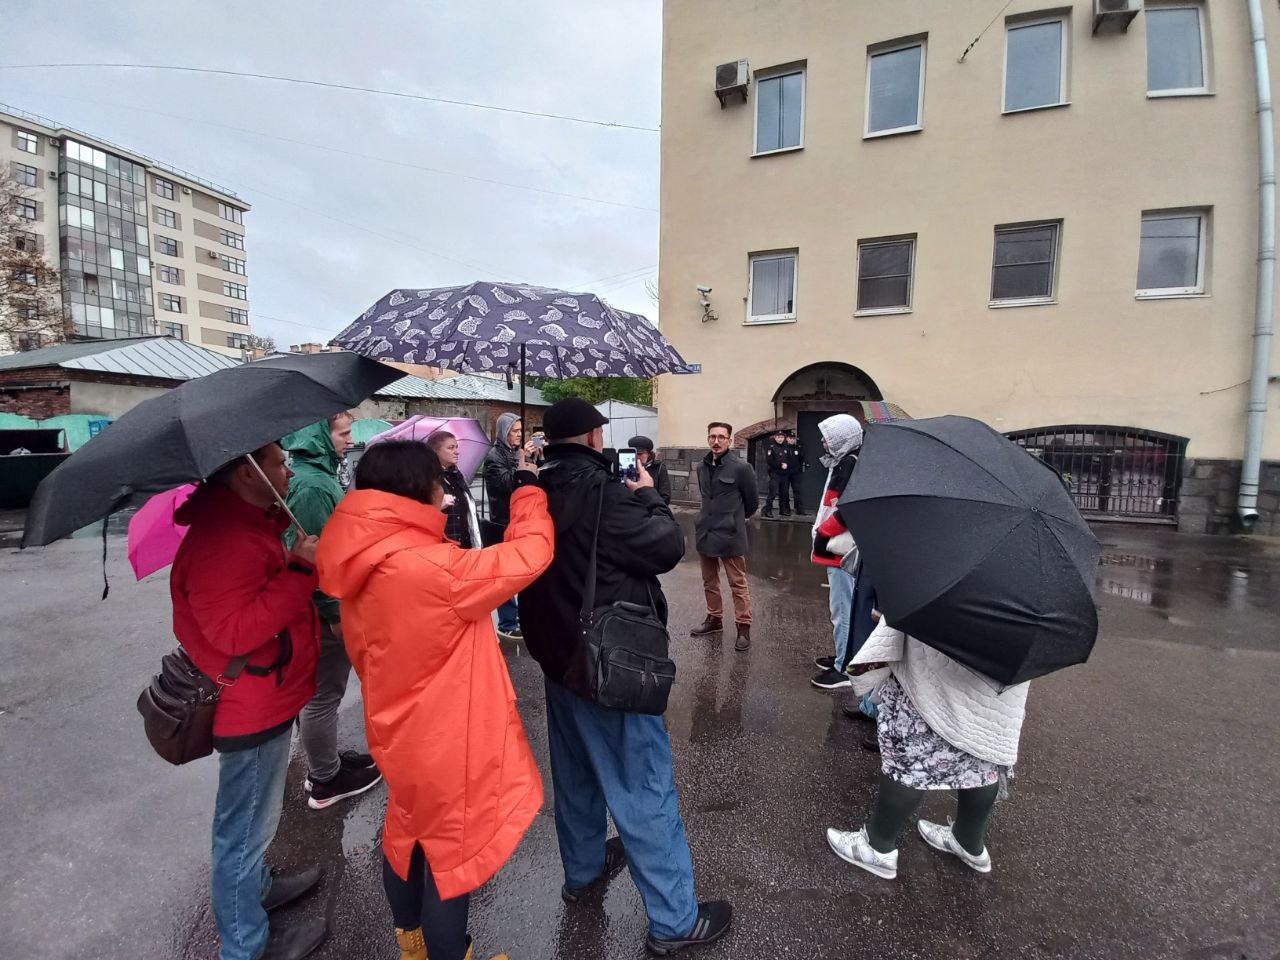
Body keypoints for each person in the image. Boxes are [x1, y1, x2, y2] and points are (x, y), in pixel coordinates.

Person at [316, 439, 553, 960]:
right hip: (447, 740)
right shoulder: (435, 569)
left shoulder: (360, 557)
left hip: (396, 731)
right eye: (435, 482)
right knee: (452, 859)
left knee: (407, 837)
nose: (441, 492)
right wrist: (529, 491)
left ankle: (412, 946)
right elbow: (530, 554)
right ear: (414, 490)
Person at [520, 397, 733, 956]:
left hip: (557, 658)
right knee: (642, 784)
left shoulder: (530, 492)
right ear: (594, 438)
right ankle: (674, 920)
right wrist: (650, 498)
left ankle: (584, 870)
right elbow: (666, 547)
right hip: (608, 663)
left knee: (575, 774)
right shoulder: (605, 493)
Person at [171, 443, 327, 960]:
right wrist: (301, 570)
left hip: (265, 693)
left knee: (251, 821)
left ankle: (255, 890)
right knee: (243, 830)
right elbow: (234, 632)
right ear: (247, 473)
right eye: (280, 462)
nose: (289, 471)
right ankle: (245, 944)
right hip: (250, 705)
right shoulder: (225, 540)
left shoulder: (244, 525)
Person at [826, 620, 1030, 880]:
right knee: (983, 758)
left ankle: (877, 846)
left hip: (937, 662)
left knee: (911, 758)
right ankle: (968, 840)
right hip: (1007, 671)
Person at [283, 412, 383, 811]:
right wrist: (334, 612)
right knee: (323, 694)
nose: (348, 440)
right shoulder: (311, 485)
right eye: (343, 433)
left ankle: (326, 761)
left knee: (323, 692)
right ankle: (325, 779)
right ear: (320, 438)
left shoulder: (319, 477)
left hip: (327, 607)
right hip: (325, 612)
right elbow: (319, 559)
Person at [691, 421, 759, 652]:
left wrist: (733, 519)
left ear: (729, 440)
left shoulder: (741, 468)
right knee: (709, 581)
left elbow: (751, 503)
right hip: (706, 533)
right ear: (708, 439)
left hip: (730, 535)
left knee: (737, 584)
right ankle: (714, 619)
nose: (716, 441)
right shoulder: (701, 467)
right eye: (712, 436)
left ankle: (743, 627)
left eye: (721, 437)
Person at [809, 415, 863, 691]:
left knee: (843, 610)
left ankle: (845, 668)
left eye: (828, 436)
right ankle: (842, 654)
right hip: (834, 548)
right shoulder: (843, 461)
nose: (823, 441)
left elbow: (846, 509)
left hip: (839, 551)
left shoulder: (850, 464)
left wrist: (824, 532)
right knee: (841, 608)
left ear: (843, 438)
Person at [483, 412, 535, 641]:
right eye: (515, 431)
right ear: (504, 432)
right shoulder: (494, 456)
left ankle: (521, 616)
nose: (519, 435)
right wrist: (522, 463)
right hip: (501, 522)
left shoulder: (515, 452)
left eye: (521, 431)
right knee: (504, 574)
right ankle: (506, 622)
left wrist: (531, 459)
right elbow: (506, 484)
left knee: (521, 571)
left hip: (518, 520)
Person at [428, 430, 483, 549]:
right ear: (435, 451)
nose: (457, 452)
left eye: (456, 447)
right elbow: (422, 515)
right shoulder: (429, 479)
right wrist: (437, 506)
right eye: (450, 448)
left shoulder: (456, 474)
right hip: (446, 548)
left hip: (467, 545)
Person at [628, 434, 671, 505]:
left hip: (651, 509)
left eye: (640, 454)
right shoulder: (627, 468)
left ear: (649, 454)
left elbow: (665, 497)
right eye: (634, 454)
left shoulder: (659, 468)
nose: (637, 457)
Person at [761, 429, 790, 519]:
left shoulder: (786, 447)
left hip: (784, 474)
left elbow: (789, 459)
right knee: (773, 493)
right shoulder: (771, 447)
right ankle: (768, 510)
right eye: (778, 437)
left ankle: (782, 510)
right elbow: (769, 461)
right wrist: (780, 465)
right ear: (775, 437)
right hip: (775, 474)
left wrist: (787, 464)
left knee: (784, 493)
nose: (780, 439)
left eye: (782, 437)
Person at [784, 430, 808, 515]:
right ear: (787, 439)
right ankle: (786, 509)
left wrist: (799, 468)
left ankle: (799, 509)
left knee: (797, 491)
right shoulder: (783, 448)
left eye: (793, 438)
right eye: (790, 438)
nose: (792, 440)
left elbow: (801, 459)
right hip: (785, 473)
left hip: (795, 473)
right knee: (785, 491)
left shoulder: (798, 448)